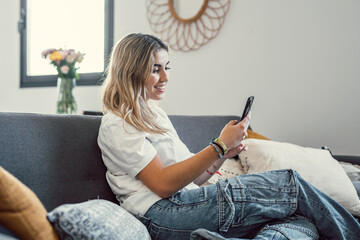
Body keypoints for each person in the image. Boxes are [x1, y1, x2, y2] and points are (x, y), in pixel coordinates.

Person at [98, 33, 360, 240]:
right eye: (156, 69)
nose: (165, 77)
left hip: (185, 205)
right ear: (131, 71)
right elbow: (164, 185)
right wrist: (219, 144)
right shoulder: (118, 123)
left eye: (167, 67)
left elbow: (195, 179)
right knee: (288, 183)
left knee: (298, 223)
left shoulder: (154, 115)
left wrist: (224, 153)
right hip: (162, 215)